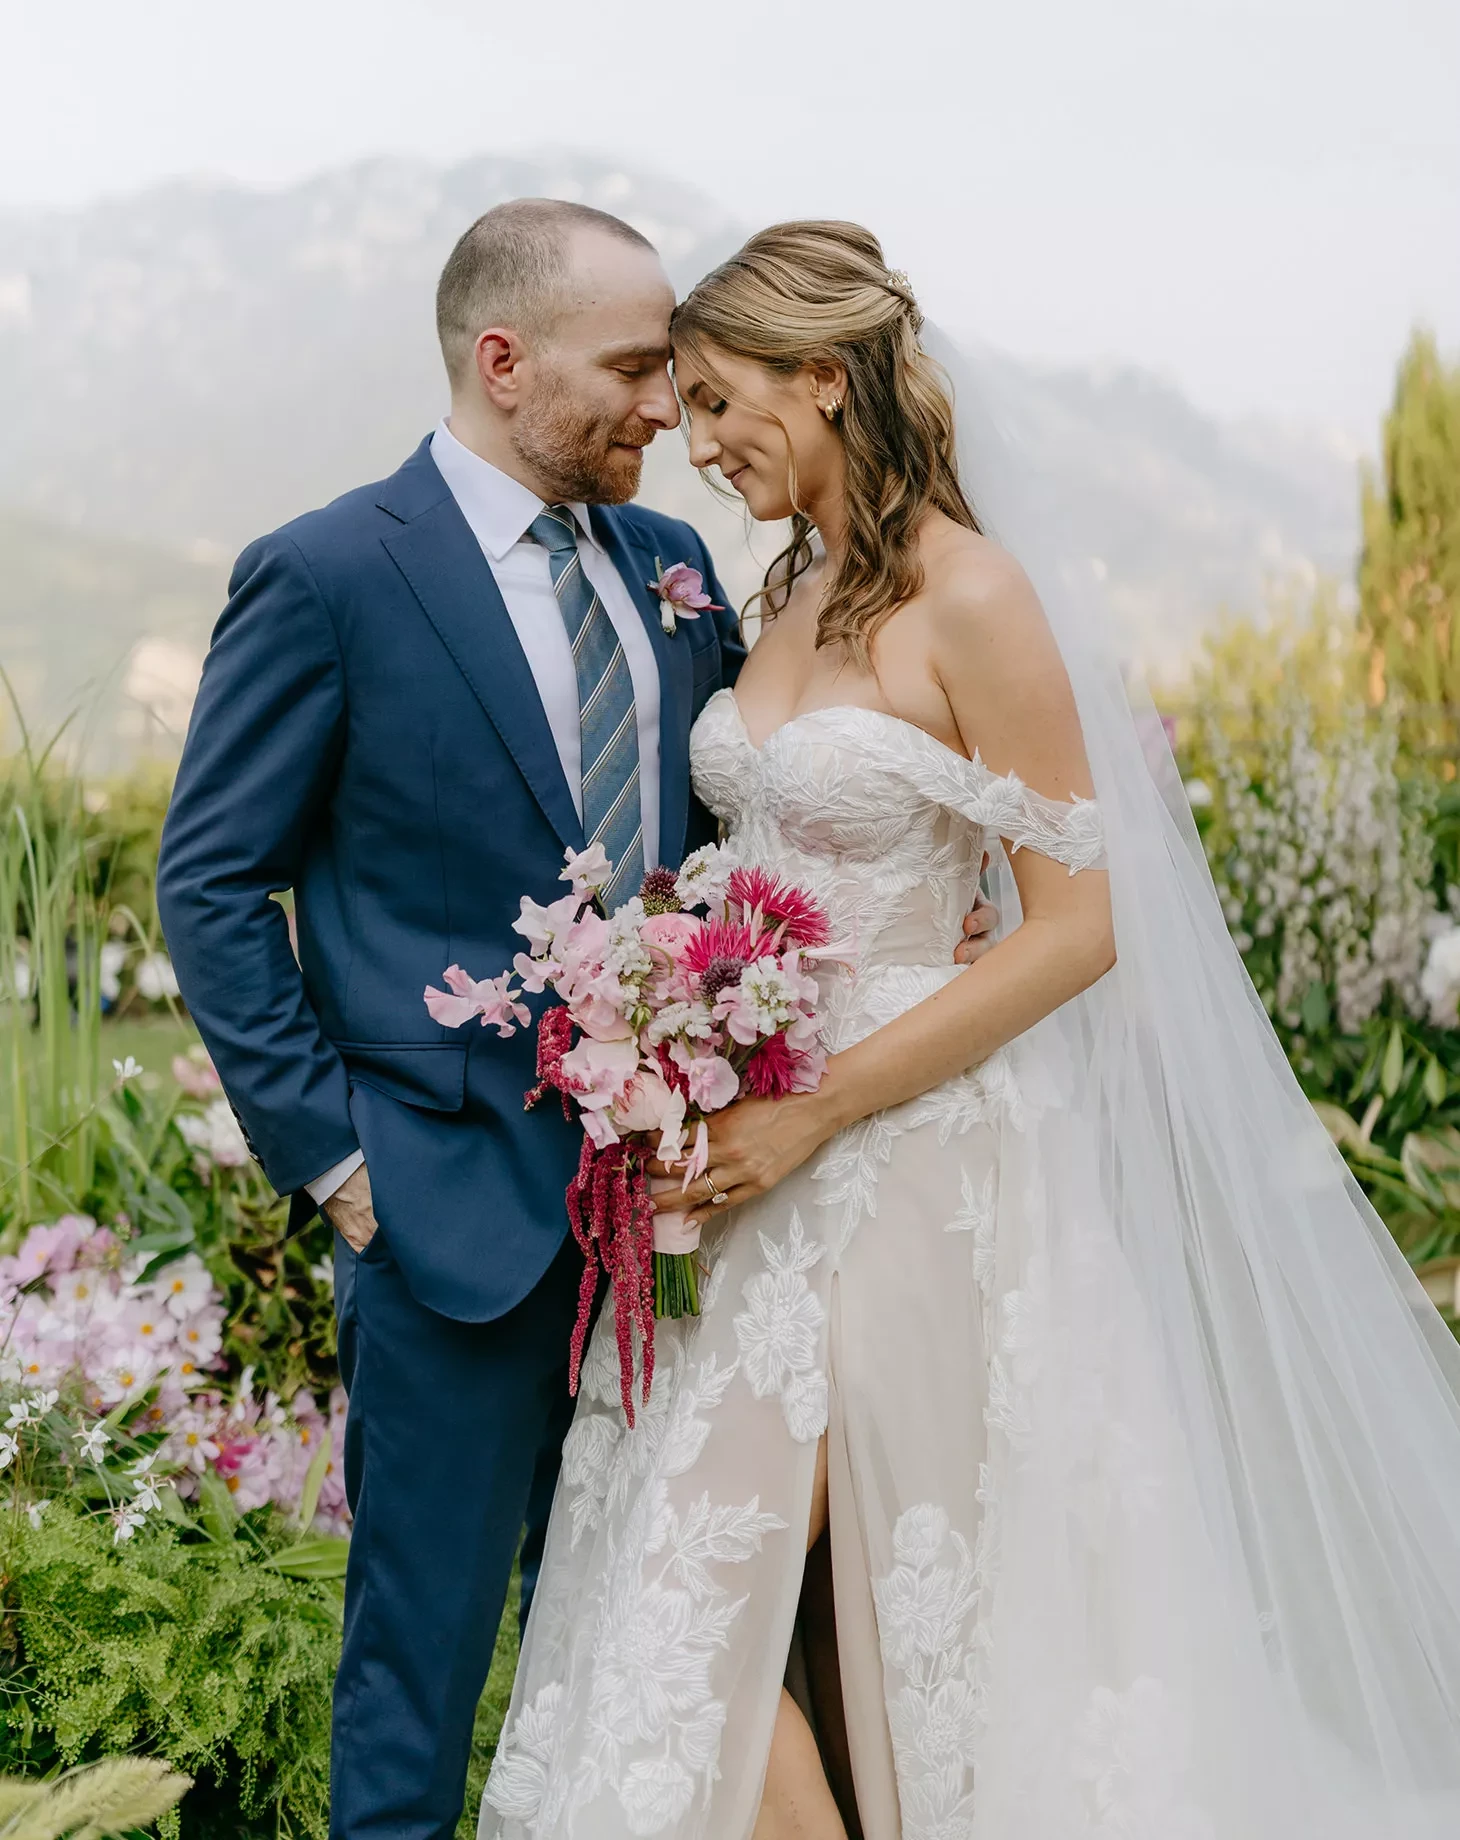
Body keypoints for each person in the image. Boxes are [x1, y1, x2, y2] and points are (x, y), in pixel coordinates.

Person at [485, 223, 1460, 1840]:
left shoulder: (978, 595)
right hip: (744, 1174)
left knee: (754, 1617)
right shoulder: (779, 592)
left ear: (824, 377)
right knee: (674, 1612)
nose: (697, 442)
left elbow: (1080, 925)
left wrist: (822, 1102)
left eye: (719, 400)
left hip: (914, 1170)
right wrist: (676, 1021)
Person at [156, 197, 1000, 1840]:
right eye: (631, 371)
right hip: (445, 1218)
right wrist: (339, 1165)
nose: (665, 410)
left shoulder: (676, 569)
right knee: (420, 1672)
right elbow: (210, 885)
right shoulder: (329, 575)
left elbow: (764, 816)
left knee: (683, 1655)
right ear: (504, 362)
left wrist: (931, 905)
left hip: (696, 1225)